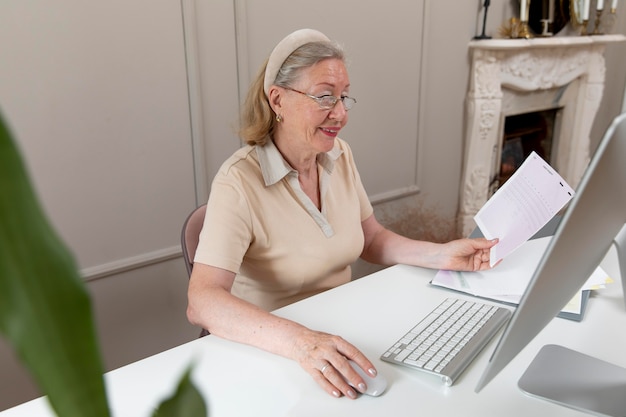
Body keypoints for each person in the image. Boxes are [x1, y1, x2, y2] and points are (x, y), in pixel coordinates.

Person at [186, 28, 498, 400]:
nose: (340, 114)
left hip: (340, 334)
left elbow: (371, 239)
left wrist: (441, 253)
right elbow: (202, 301)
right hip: (276, 351)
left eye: (344, 97)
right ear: (278, 100)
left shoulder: (338, 155)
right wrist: (302, 344)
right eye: (324, 97)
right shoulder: (237, 182)